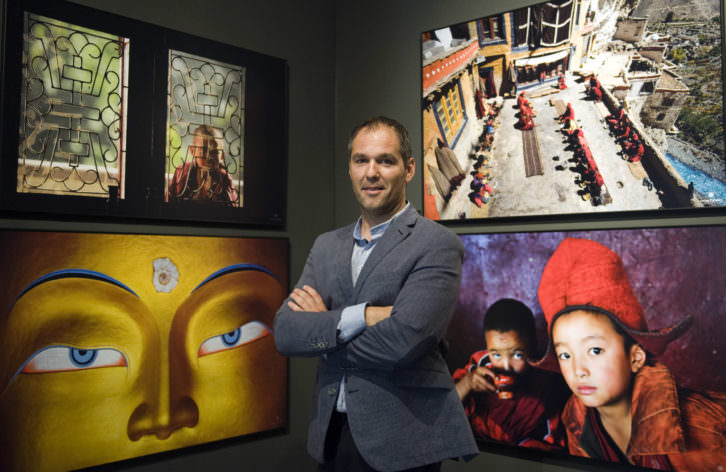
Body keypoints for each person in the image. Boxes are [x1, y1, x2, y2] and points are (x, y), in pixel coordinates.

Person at [274, 116, 478, 472]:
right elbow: (286, 333)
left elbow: (403, 342)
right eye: (361, 160)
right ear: (350, 169)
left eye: (385, 160)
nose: (371, 172)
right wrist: (364, 316)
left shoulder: (436, 244)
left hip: (403, 439)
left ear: (409, 169)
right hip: (331, 434)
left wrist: (323, 330)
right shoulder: (326, 246)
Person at [534, 238, 726, 471]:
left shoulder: (705, 425)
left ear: (635, 357)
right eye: (564, 355)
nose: (578, 371)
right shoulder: (575, 416)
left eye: (594, 351)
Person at [452, 299, 569, 450]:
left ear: (533, 346)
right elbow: (441, 413)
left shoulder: (546, 382)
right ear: (487, 347)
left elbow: (553, 444)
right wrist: (466, 384)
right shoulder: (477, 368)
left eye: (517, 355)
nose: (506, 367)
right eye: (497, 355)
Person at [168, 124, 239, 205]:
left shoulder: (224, 178)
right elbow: (170, 202)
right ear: (192, 150)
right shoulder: (182, 172)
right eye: (204, 151)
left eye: (214, 152)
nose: (209, 157)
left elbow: (232, 208)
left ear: (222, 155)